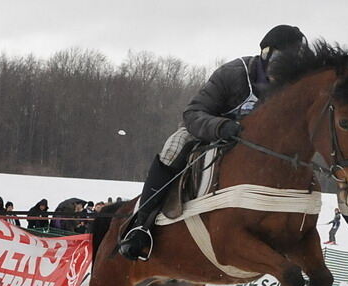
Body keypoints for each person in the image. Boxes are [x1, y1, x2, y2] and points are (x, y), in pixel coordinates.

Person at [117, 24, 311, 261]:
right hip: (209, 132)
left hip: (256, 148)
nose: (287, 70)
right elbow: (193, 113)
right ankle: (141, 225)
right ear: (266, 54)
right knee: (173, 148)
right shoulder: (233, 73)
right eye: (282, 60)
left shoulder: (292, 88)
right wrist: (220, 126)